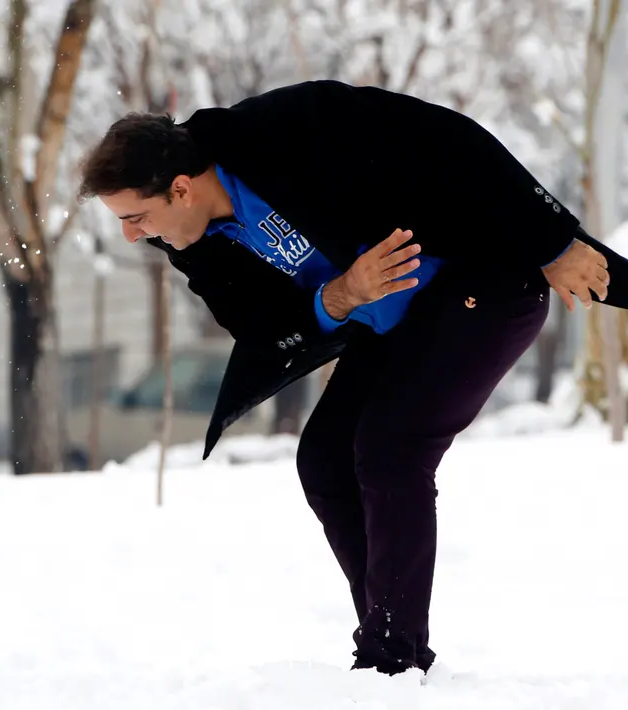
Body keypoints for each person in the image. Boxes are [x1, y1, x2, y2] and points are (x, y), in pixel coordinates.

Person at [77, 79, 628, 676]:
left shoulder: (292, 125)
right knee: (325, 459)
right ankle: (392, 641)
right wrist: (338, 296)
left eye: (136, 217)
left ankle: (391, 659)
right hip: (395, 324)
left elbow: (453, 143)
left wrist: (550, 242)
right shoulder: (191, 242)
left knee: (391, 448)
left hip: (484, 283)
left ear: (180, 188)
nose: (133, 235)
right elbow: (257, 326)